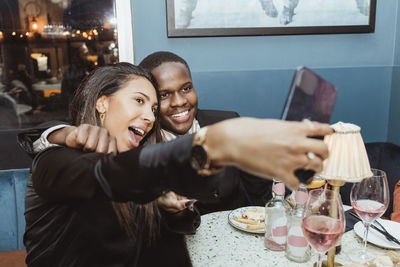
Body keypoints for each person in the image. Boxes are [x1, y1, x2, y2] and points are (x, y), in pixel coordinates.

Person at [22, 62, 332, 266]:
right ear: (103, 102)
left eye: (153, 109)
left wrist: (173, 210)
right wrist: (215, 145)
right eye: (139, 101)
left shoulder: (128, 164)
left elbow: (156, 242)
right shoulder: (55, 160)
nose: (149, 116)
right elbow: (109, 177)